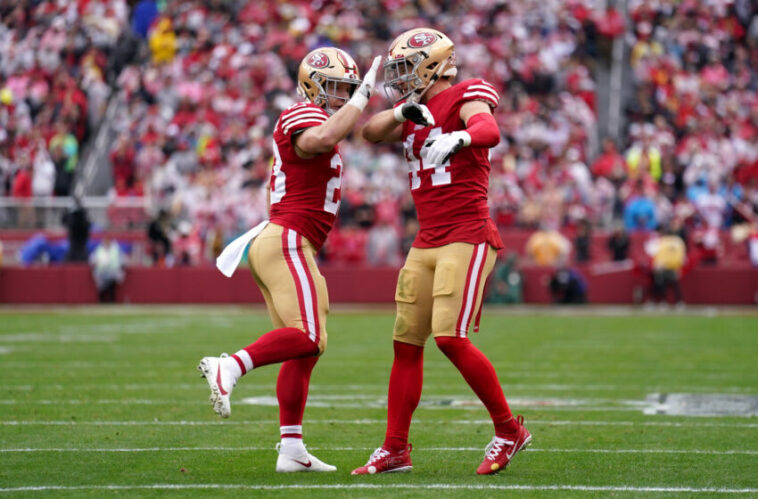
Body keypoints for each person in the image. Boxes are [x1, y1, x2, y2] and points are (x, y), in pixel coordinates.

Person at [352, 28, 531, 476]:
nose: (400, 78)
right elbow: (369, 134)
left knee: (449, 337)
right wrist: (398, 111)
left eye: (405, 69)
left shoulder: (466, 92)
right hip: (426, 240)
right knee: (406, 344)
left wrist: (464, 139)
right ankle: (395, 448)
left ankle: (509, 431)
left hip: (467, 235)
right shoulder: (413, 111)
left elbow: (487, 126)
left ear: (432, 64)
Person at [198, 48, 381, 473]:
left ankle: (291, 449)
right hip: (287, 240)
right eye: (335, 87)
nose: (342, 96)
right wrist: (363, 97)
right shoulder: (301, 115)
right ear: (312, 85)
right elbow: (320, 139)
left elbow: (277, 181)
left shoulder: (310, 118)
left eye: (346, 89)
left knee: (306, 349)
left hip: (284, 239)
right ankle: (231, 365)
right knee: (309, 335)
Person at [89, 234, 125, 303]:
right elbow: (93, 259)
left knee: (112, 282)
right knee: (101, 284)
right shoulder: (99, 249)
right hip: (101, 272)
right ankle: (101, 299)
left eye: (108, 241)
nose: (107, 243)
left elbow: (122, 260)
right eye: (105, 241)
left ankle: (112, 299)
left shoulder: (116, 249)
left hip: (113, 271)